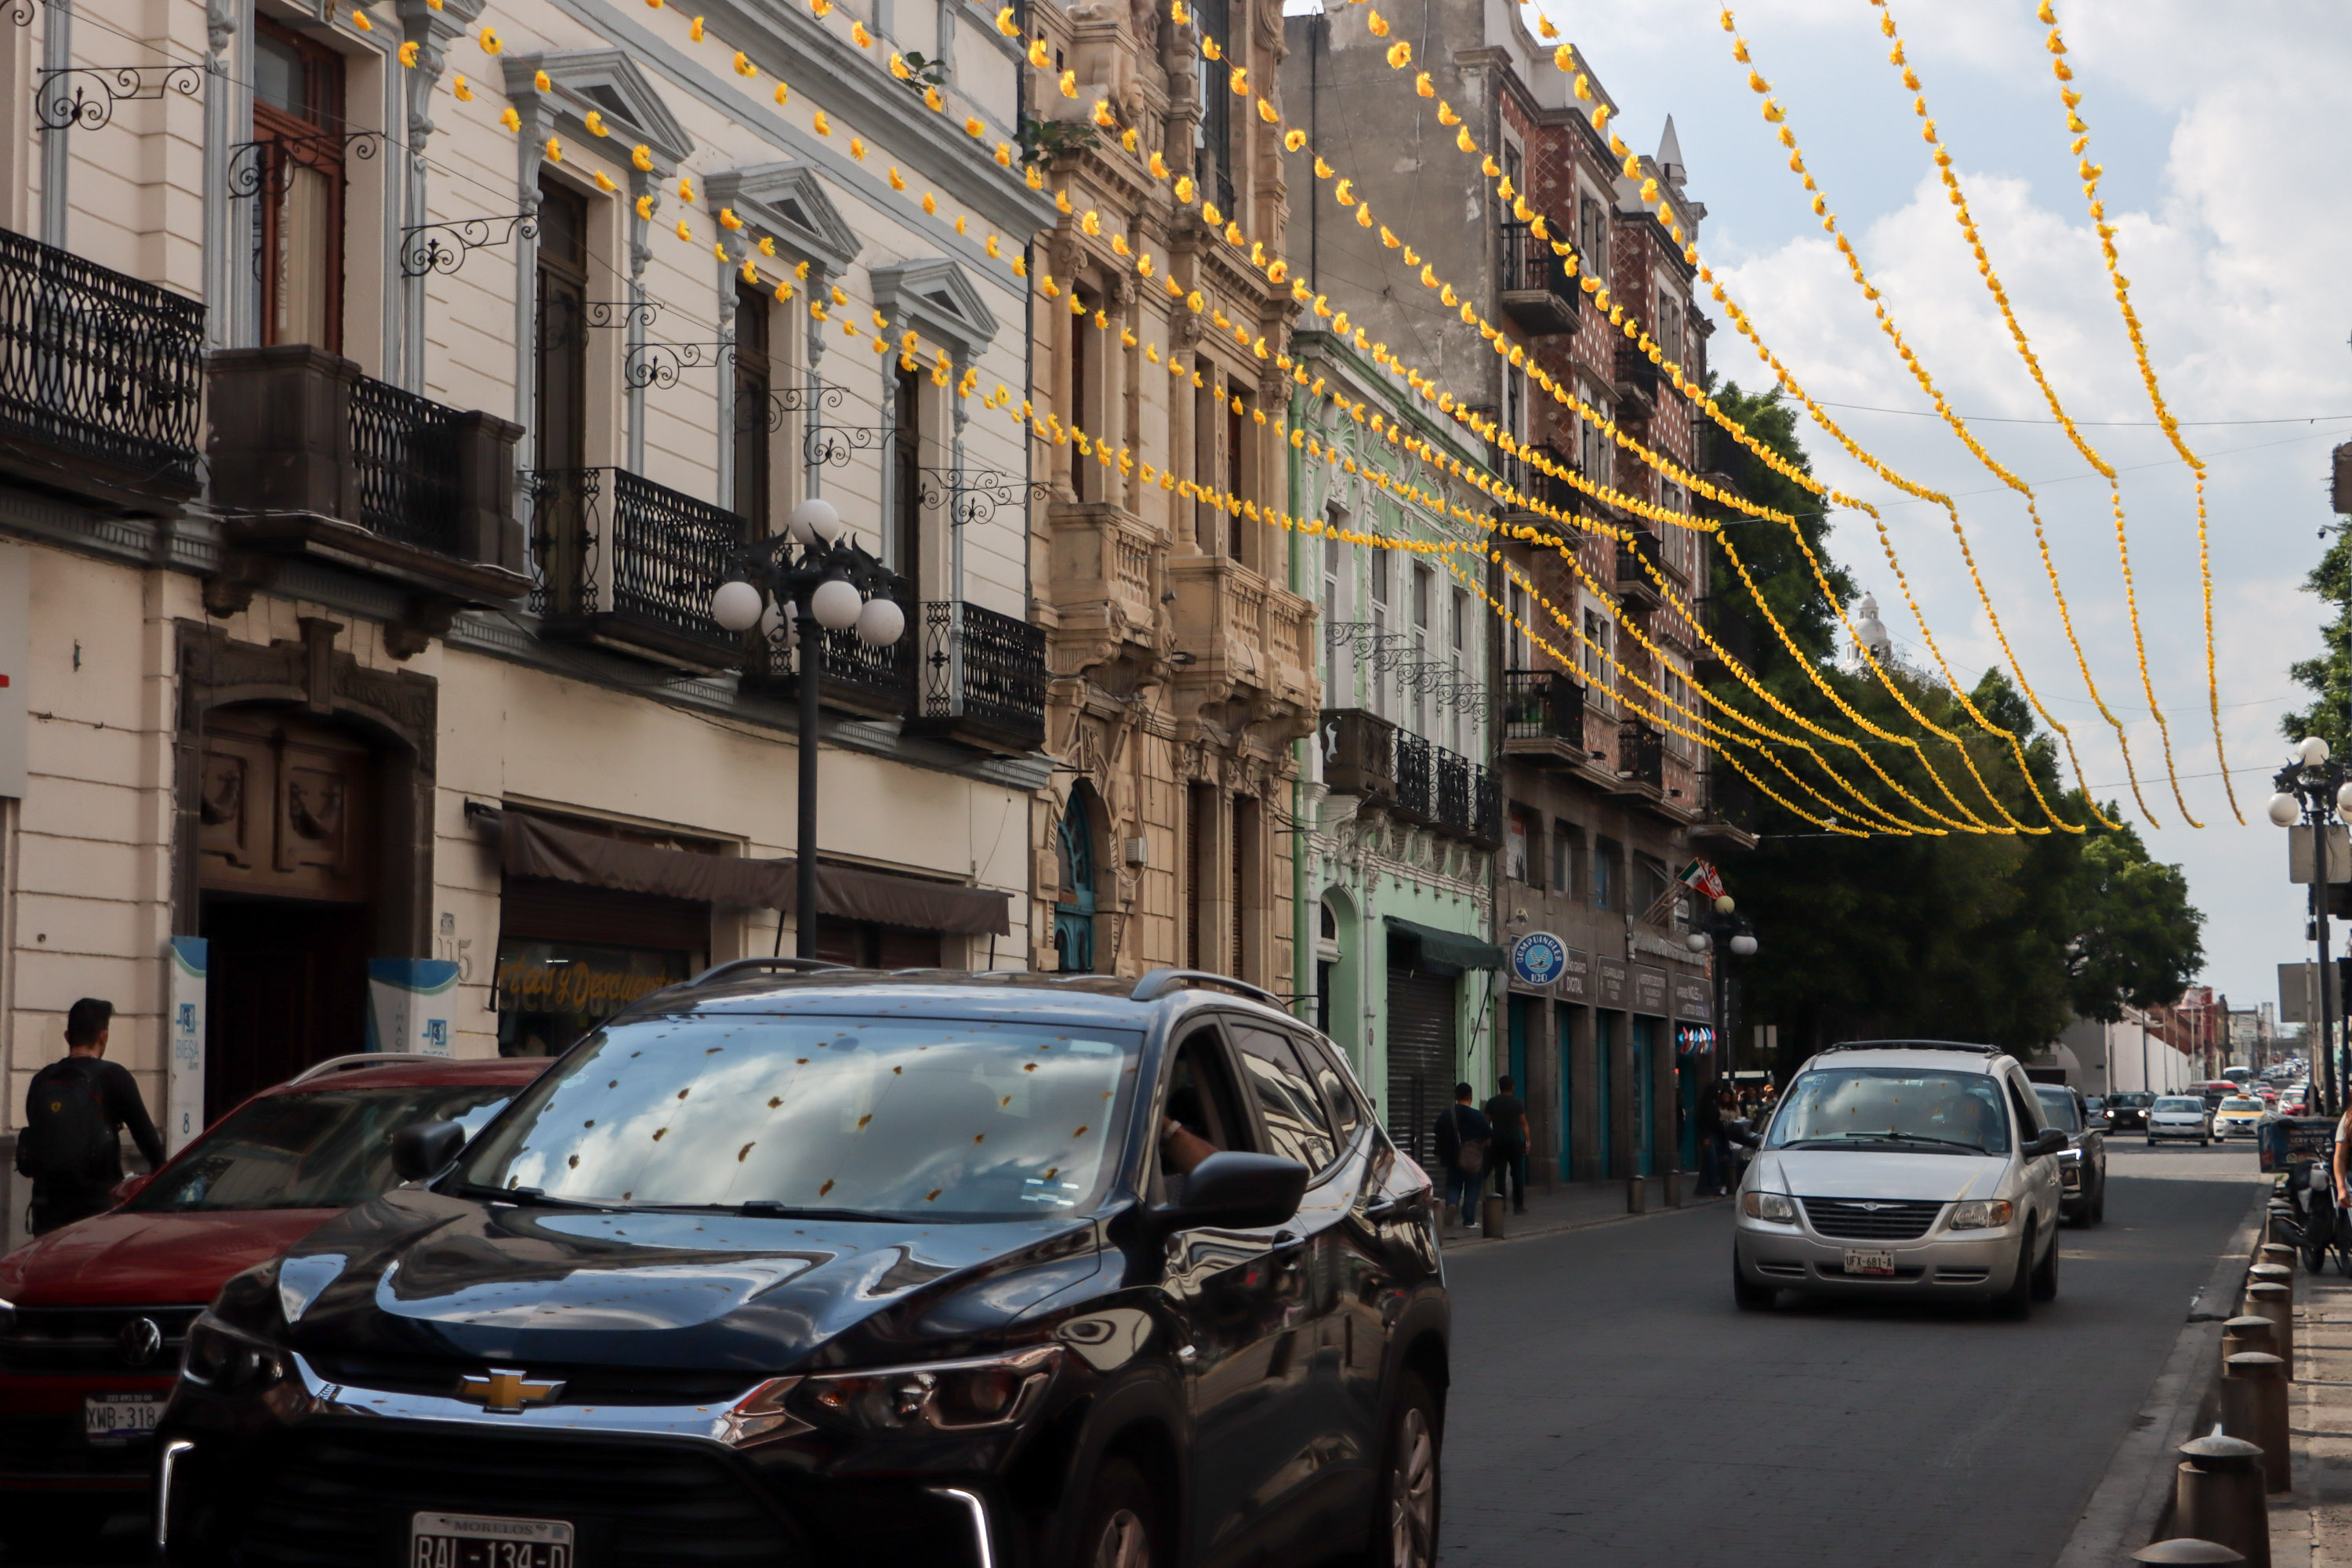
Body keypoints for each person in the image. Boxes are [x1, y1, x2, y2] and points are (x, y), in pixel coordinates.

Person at [17, 999, 165, 1236]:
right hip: (95, 1210)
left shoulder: (42, 1080)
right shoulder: (114, 1077)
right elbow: (149, 1142)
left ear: (67, 1036)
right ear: (103, 1037)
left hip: (47, 1210)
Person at [1432, 1082, 1491, 1229]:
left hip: (1453, 1157)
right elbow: (1489, 1134)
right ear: (1470, 1096)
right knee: (1472, 1186)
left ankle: (1452, 1204)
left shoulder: (1447, 1114)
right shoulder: (1477, 1115)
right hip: (1473, 1157)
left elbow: (1436, 1129)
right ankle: (1469, 1220)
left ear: (1456, 1096)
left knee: (1453, 1184)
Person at [1483, 1076, 1530, 1214]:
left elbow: (1486, 1122)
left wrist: (1486, 1138)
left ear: (1500, 1087)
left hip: (1497, 1141)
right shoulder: (1518, 1103)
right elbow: (1523, 1123)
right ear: (1513, 1087)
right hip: (1515, 1141)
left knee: (1500, 1173)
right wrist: (1528, 1140)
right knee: (1517, 1173)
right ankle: (1519, 1206)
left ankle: (1500, 1205)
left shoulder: (1492, 1102)